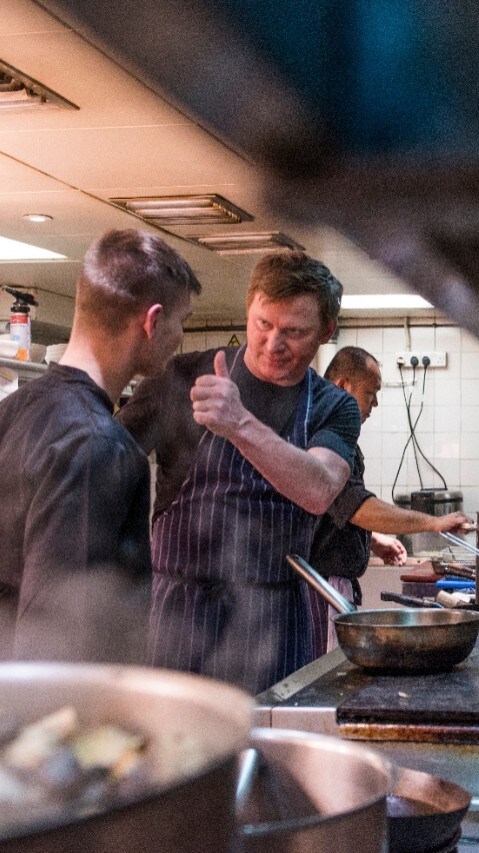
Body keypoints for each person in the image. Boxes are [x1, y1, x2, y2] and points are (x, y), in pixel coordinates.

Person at [0, 228, 200, 664]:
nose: (180, 337)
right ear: (152, 322)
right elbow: (64, 637)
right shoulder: (99, 444)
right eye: (182, 321)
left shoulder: (5, 415)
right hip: (42, 716)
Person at [117, 251, 359, 693]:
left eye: (294, 332)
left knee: (268, 750)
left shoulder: (334, 406)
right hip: (179, 615)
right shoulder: (183, 377)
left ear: (326, 332)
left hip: (276, 620)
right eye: (262, 325)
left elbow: (320, 490)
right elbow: (104, 460)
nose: (273, 345)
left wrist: (239, 424)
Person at [307, 346, 473, 657]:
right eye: (371, 393)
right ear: (343, 387)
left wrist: (372, 541)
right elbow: (357, 507)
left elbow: (331, 513)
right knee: (324, 683)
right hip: (321, 587)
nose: (375, 403)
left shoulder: (335, 435)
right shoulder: (326, 437)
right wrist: (433, 522)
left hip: (328, 584)